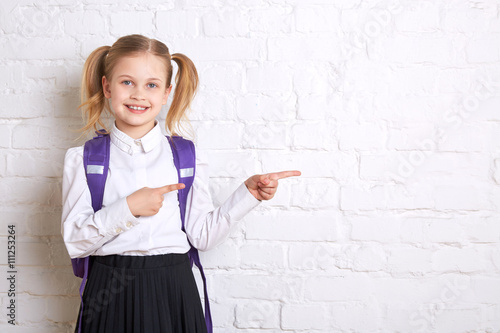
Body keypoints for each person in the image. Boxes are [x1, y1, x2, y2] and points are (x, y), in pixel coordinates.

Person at [61, 34, 300, 333]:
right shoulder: (82, 158)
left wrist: (247, 195)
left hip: (174, 286)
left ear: (166, 93)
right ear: (107, 87)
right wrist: (129, 208)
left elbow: (202, 237)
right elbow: (74, 240)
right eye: (127, 82)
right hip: (109, 290)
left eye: (151, 85)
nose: (138, 94)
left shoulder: (185, 156)